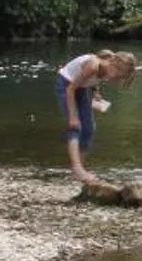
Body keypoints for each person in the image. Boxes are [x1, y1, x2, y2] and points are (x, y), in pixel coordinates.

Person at [56, 49, 136, 183]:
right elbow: (70, 89)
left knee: (89, 129)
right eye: (117, 76)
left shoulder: (108, 67)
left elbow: (95, 79)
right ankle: (77, 169)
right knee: (75, 127)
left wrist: (95, 93)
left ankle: (79, 167)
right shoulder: (93, 66)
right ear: (113, 64)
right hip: (66, 86)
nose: (115, 80)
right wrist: (73, 116)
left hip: (80, 88)